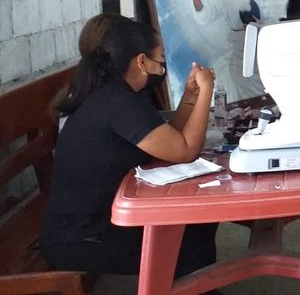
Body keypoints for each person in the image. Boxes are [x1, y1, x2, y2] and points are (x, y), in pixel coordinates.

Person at [40, 17, 219, 278]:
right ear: (142, 61)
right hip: (83, 238)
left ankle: (198, 286)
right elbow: (185, 150)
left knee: (198, 223)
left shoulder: (114, 94)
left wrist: (190, 96)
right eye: (160, 58)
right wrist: (207, 89)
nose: (162, 67)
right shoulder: (117, 102)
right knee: (188, 238)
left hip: (90, 224)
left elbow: (169, 140)